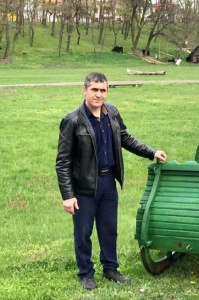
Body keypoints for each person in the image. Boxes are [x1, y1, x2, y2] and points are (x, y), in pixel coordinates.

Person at [55, 72, 167, 290]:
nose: (99, 94)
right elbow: (63, 161)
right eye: (94, 89)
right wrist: (68, 195)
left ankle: (110, 269)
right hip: (84, 187)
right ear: (84, 90)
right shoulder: (72, 120)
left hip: (108, 183)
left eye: (103, 90)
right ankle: (86, 273)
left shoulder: (112, 113)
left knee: (109, 229)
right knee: (83, 232)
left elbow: (124, 137)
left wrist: (151, 152)